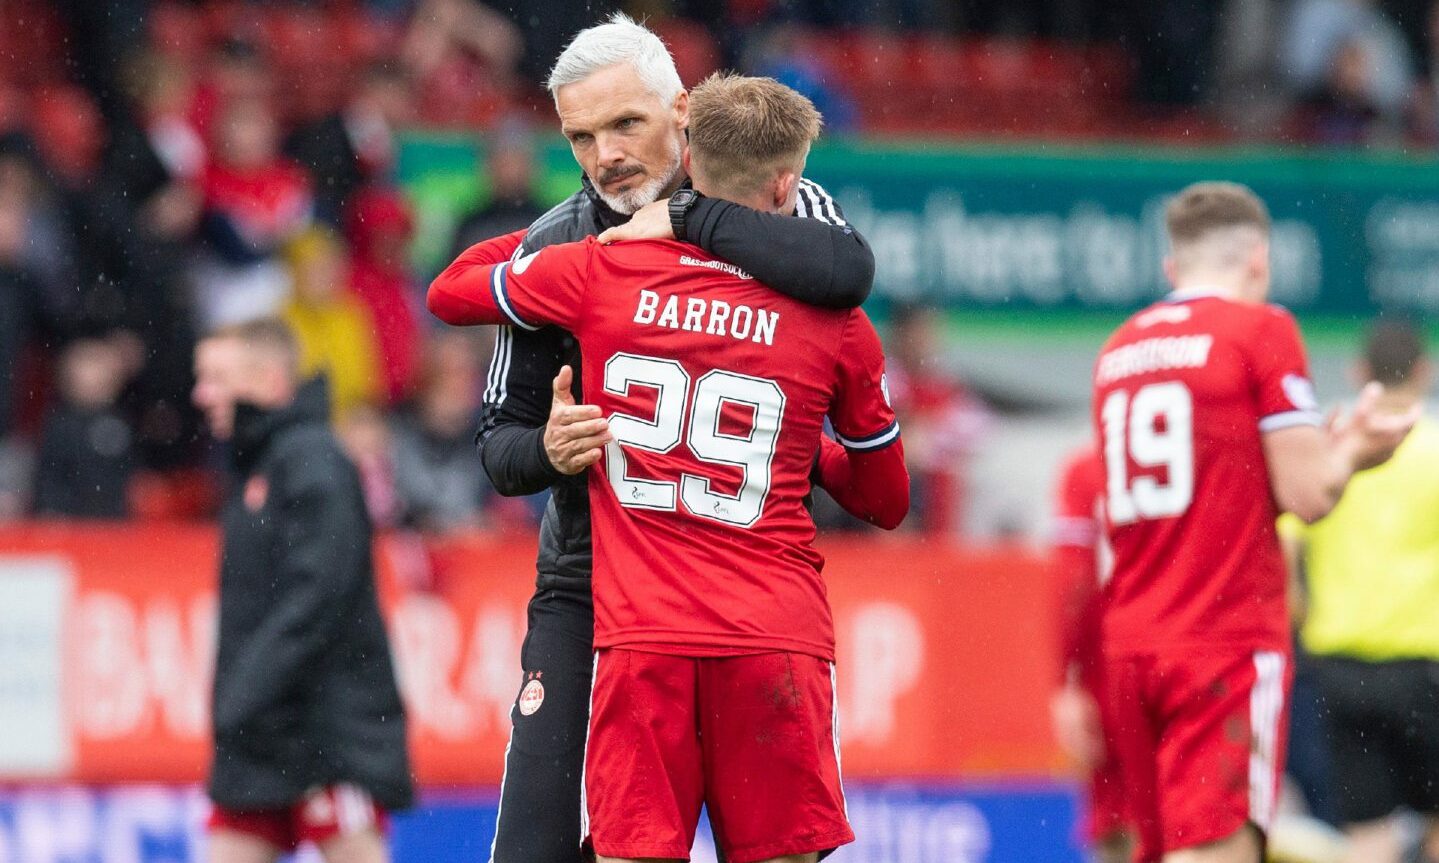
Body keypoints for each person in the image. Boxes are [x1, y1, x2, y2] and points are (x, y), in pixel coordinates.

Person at [430, 71, 908, 863]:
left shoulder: (597, 272)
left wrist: (573, 235)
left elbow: (450, 290)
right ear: (788, 181)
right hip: (772, 638)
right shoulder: (835, 317)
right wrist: (803, 450)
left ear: (686, 149)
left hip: (641, 634)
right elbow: (885, 499)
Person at [1090, 181, 1416, 863]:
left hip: (1131, 641)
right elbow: (1307, 493)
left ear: (1170, 267)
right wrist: (1354, 450)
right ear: (1259, 260)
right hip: (1221, 638)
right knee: (1215, 850)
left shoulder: (1119, 348)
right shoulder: (1259, 329)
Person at [191, 318, 412, 863]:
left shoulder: (313, 461)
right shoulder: (257, 463)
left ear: (269, 379)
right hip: (267, 736)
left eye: (218, 378)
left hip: (328, 732)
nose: (202, 395)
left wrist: (245, 689)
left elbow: (320, 599)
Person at [1279, 319, 1439, 863]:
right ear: (1426, 371)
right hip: (1427, 668)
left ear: (1358, 372)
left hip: (1341, 671)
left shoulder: (1331, 449)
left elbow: (1284, 557)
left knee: (1368, 836)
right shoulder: (1436, 451)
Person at [1047, 443, 1131, 863]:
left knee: (1117, 820)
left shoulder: (1088, 469)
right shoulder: (1204, 452)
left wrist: (1066, 680)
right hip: (1189, 653)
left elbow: (1073, 580)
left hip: (1113, 663)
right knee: (1191, 813)